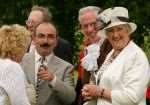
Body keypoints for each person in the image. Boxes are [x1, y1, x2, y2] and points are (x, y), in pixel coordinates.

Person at [81, 7, 150, 105]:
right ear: (106, 34)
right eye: (110, 30)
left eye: (119, 29)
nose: (115, 35)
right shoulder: (113, 52)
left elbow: (132, 97)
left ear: (128, 30)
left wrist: (99, 92)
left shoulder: (137, 57)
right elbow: (107, 85)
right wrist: (91, 92)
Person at [21, 22, 76, 105]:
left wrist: (53, 79)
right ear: (34, 39)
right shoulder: (20, 60)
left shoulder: (66, 67)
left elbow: (70, 98)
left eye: (50, 37)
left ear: (56, 41)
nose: (45, 41)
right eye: (41, 36)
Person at [75, 6, 112, 105]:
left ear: (102, 23)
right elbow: (81, 84)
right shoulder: (85, 52)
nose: (90, 29)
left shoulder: (114, 47)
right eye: (85, 26)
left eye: (93, 24)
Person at [0, 24, 31, 105]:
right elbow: (20, 102)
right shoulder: (11, 67)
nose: (26, 53)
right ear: (20, 47)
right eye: (26, 48)